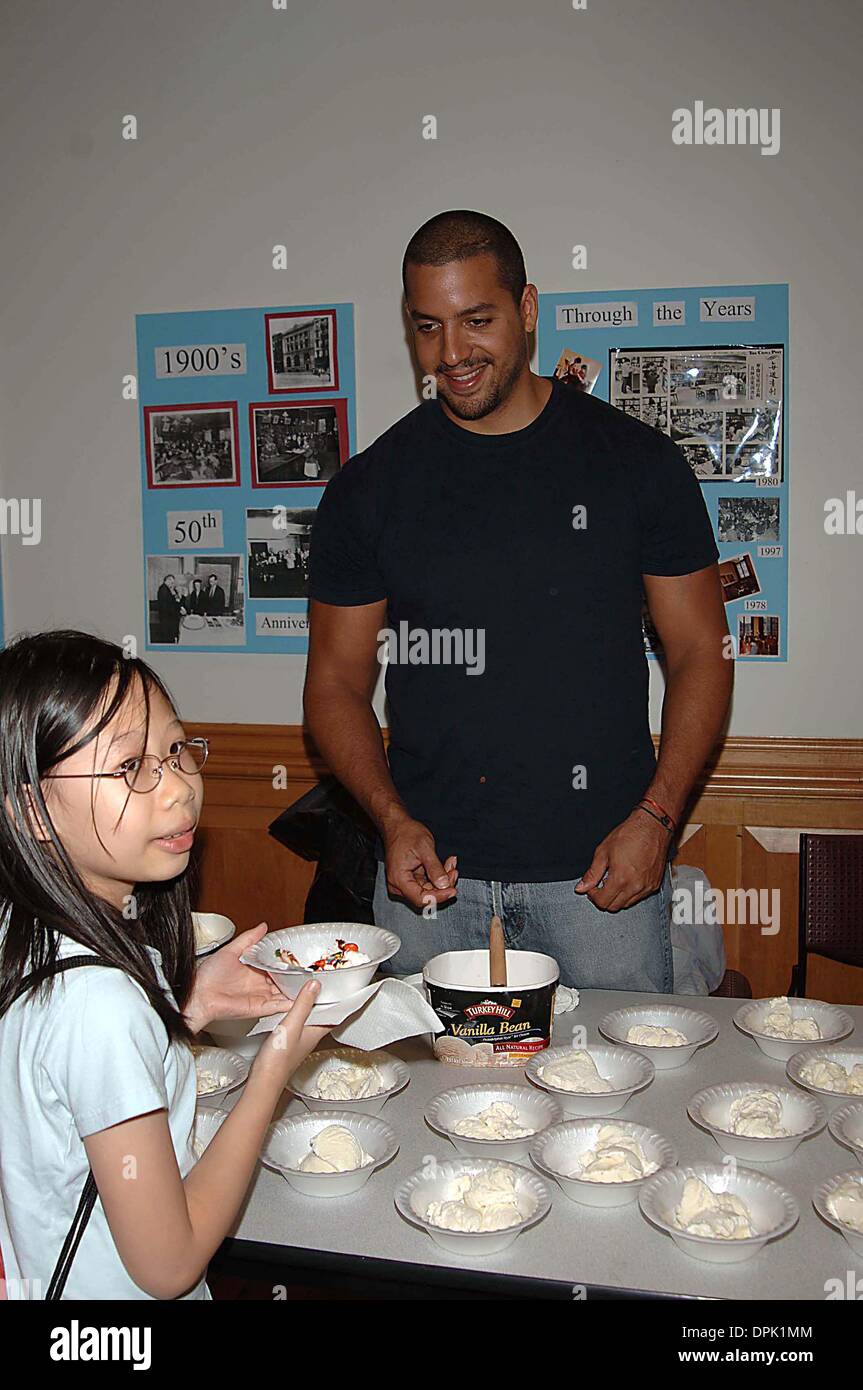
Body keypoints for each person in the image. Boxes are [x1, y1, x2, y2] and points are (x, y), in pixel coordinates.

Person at [305, 209, 732, 990]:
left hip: (603, 884)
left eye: (477, 321)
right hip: (428, 891)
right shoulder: (369, 487)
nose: (452, 353)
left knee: (619, 1106)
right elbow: (333, 685)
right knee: (416, 1107)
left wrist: (657, 819)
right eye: (427, 326)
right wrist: (390, 821)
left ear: (527, 309)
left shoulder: (637, 465)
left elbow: (702, 651)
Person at [0, 630, 328, 1299]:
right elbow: (169, 1265)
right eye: (130, 768)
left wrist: (186, 1005)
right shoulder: (97, 1002)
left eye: (176, 751)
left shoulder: (29, 930)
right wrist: (275, 1068)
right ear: (33, 808)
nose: (178, 788)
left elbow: (54, 1082)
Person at [156, 573, 183, 644]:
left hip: (168, 618)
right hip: (167, 618)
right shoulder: (164, 589)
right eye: (172, 582)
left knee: (169, 635)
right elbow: (168, 606)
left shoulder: (166, 589)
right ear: (167, 580)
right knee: (167, 636)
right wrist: (178, 611)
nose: (172, 584)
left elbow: (175, 601)